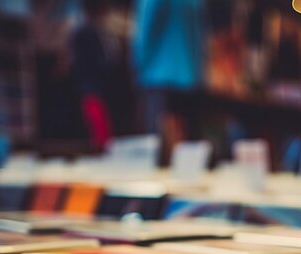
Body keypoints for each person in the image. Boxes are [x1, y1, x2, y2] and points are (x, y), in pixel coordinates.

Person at [132, 0, 205, 138]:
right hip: (190, 80)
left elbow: (145, 34)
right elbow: (200, 38)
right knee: (184, 148)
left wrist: (138, 69)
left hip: (158, 79)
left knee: (158, 148)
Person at [71, 0, 130, 149]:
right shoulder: (87, 32)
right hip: (92, 89)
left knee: (102, 133)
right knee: (100, 136)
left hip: (95, 90)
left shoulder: (88, 32)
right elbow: (101, 62)